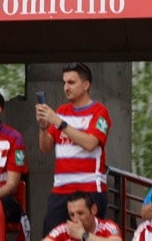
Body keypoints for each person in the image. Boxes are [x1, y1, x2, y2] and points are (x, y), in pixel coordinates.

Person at [36, 64, 113, 234]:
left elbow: (91, 143)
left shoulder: (100, 111)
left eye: (71, 82)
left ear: (86, 85)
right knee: (50, 235)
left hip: (90, 189)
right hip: (60, 189)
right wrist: (43, 127)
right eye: (64, 82)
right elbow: (45, 148)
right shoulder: (61, 111)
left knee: (85, 236)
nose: (66, 87)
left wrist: (59, 123)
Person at [42, 193, 119, 241]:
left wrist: (83, 235)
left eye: (80, 213)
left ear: (93, 209)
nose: (75, 219)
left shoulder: (108, 227)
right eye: (72, 215)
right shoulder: (64, 229)